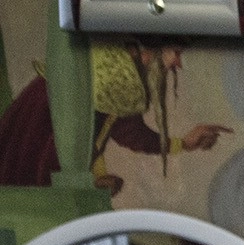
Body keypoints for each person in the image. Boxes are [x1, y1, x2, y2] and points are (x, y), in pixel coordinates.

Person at [0, 42, 231, 195]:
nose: (176, 64)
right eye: (175, 52)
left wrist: (184, 144)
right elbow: (93, 129)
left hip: (51, 126)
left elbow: (111, 126)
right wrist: (90, 179)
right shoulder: (122, 73)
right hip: (44, 128)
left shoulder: (127, 70)